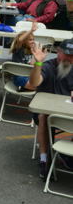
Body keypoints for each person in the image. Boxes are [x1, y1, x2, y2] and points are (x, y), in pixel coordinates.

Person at [27, 39, 73, 179]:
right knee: (43, 116)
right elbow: (34, 83)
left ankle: (68, 155)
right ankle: (44, 159)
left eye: (72, 56)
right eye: (66, 54)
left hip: (67, 114)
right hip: (47, 114)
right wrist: (37, 64)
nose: (69, 58)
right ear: (58, 52)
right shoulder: (48, 66)